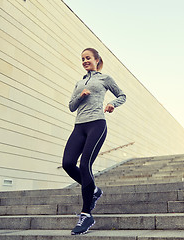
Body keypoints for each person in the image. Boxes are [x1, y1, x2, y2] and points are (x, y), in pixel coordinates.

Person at [62, 48, 126, 235]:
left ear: (97, 60)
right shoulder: (79, 82)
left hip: (97, 124)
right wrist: (80, 96)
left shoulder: (105, 79)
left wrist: (112, 104)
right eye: (82, 59)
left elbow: (122, 95)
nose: (85, 61)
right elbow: (71, 107)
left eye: (88, 58)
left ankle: (86, 214)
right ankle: (94, 190)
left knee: (85, 165)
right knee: (67, 163)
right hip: (79, 126)